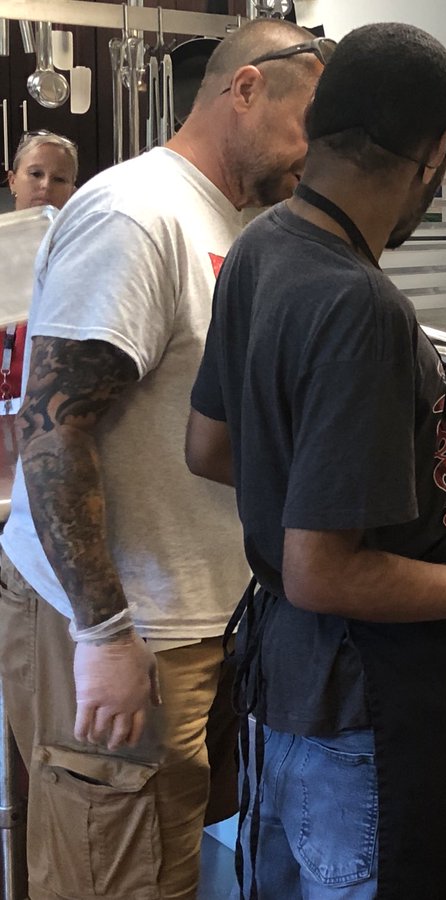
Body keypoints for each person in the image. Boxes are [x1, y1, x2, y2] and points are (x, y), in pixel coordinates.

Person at [184, 23, 446, 898]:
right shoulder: (357, 303)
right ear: (438, 151)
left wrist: (303, 497)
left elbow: (208, 447)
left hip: (283, 689)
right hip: (364, 711)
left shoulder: (259, 247)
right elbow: (326, 573)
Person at [0, 18, 328, 900]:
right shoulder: (137, 213)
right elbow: (52, 428)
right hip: (121, 622)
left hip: (192, 619)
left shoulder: (229, 224)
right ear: (247, 90)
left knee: (158, 860)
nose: (318, 149)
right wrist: (104, 633)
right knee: (113, 877)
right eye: (311, 119)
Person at [2, 130, 78, 406]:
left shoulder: (79, 258)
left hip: (46, 407)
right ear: (12, 180)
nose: (46, 185)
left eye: (59, 179)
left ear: (72, 191)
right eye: (35, 173)